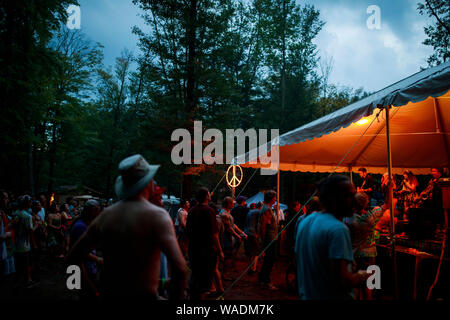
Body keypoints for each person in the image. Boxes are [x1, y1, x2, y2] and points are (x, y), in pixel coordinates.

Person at [67, 154, 187, 300]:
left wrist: (88, 290)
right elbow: (180, 269)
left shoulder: (105, 216)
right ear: (148, 182)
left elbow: (73, 257)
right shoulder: (158, 216)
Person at [295, 175, 369, 300]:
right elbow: (343, 281)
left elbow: (304, 261)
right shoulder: (338, 229)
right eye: (349, 195)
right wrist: (362, 275)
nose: (354, 201)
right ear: (335, 198)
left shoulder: (306, 222)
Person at [344, 186, 392, 300]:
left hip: (353, 255)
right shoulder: (370, 217)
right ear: (365, 204)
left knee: (355, 284)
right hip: (369, 256)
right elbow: (388, 205)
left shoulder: (347, 218)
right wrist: (389, 189)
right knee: (369, 284)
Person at [186, 187, 224, 300]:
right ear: (207, 196)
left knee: (195, 275)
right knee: (204, 279)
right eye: (209, 193)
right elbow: (214, 234)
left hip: (193, 249)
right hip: (206, 251)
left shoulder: (192, 210)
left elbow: (187, 231)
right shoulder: (209, 211)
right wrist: (220, 251)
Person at [69, 199, 102, 299]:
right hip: (83, 269)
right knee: (87, 294)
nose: (100, 213)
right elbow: (79, 252)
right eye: (98, 210)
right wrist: (99, 260)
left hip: (87, 267)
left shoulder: (85, 224)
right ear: (93, 211)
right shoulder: (80, 227)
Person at [13, 195, 36, 288]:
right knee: (26, 264)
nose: (31, 203)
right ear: (27, 203)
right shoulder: (27, 216)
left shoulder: (16, 213)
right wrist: (37, 225)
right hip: (25, 245)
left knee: (18, 265)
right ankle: (27, 281)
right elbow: (30, 231)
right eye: (30, 201)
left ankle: (18, 282)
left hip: (16, 243)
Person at [258, 190, 278, 290]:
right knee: (270, 259)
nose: (276, 199)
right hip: (269, 238)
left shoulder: (268, 208)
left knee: (269, 259)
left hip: (270, 237)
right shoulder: (266, 209)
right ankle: (266, 281)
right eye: (275, 197)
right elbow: (263, 226)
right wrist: (263, 240)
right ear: (271, 198)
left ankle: (262, 279)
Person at [220, 196, 247, 268]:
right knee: (226, 255)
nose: (233, 205)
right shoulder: (224, 214)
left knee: (230, 254)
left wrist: (242, 233)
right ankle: (224, 273)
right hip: (225, 237)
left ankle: (226, 270)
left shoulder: (228, 212)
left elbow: (233, 225)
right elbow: (229, 228)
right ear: (228, 204)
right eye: (232, 203)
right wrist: (237, 236)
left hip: (229, 237)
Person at [244, 202, 262, 275]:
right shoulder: (258, 212)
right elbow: (258, 224)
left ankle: (250, 267)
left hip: (247, 232)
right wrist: (258, 234)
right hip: (253, 233)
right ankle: (253, 269)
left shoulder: (250, 211)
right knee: (256, 252)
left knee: (250, 251)